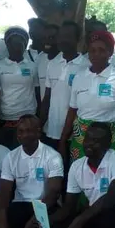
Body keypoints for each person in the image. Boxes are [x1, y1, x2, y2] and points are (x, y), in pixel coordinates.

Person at [61, 30, 115, 161]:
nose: (96, 54)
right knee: (81, 172)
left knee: (111, 172)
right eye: (92, 50)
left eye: (102, 50)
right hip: (82, 138)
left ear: (110, 52)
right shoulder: (79, 77)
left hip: (112, 138)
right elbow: (72, 112)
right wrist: (62, 141)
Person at [0, 115, 64, 228]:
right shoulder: (10, 157)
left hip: (45, 204)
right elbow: (4, 191)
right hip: (21, 204)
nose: (23, 135)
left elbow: (54, 193)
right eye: (20, 131)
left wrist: (35, 217)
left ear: (38, 132)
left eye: (28, 131)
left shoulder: (53, 156)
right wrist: (2, 220)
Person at [40, 21, 89, 150]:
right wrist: (39, 125)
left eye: (68, 36)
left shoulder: (86, 66)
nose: (63, 40)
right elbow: (47, 98)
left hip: (75, 135)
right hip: (50, 131)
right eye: (61, 36)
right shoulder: (52, 64)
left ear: (78, 39)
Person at [0, 26, 41, 149]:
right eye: (13, 43)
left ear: (25, 45)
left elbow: (37, 91)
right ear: (7, 45)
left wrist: (39, 116)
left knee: (27, 151)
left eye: (20, 43)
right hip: (6, 118)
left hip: (28, 117)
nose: (16, 47)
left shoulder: (32, 66)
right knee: (8, 152)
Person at [36, 22, 59, 94]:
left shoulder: (66, 60)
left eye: (51, 38)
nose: (47, 41)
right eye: (44, 38)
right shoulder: (39, 59)